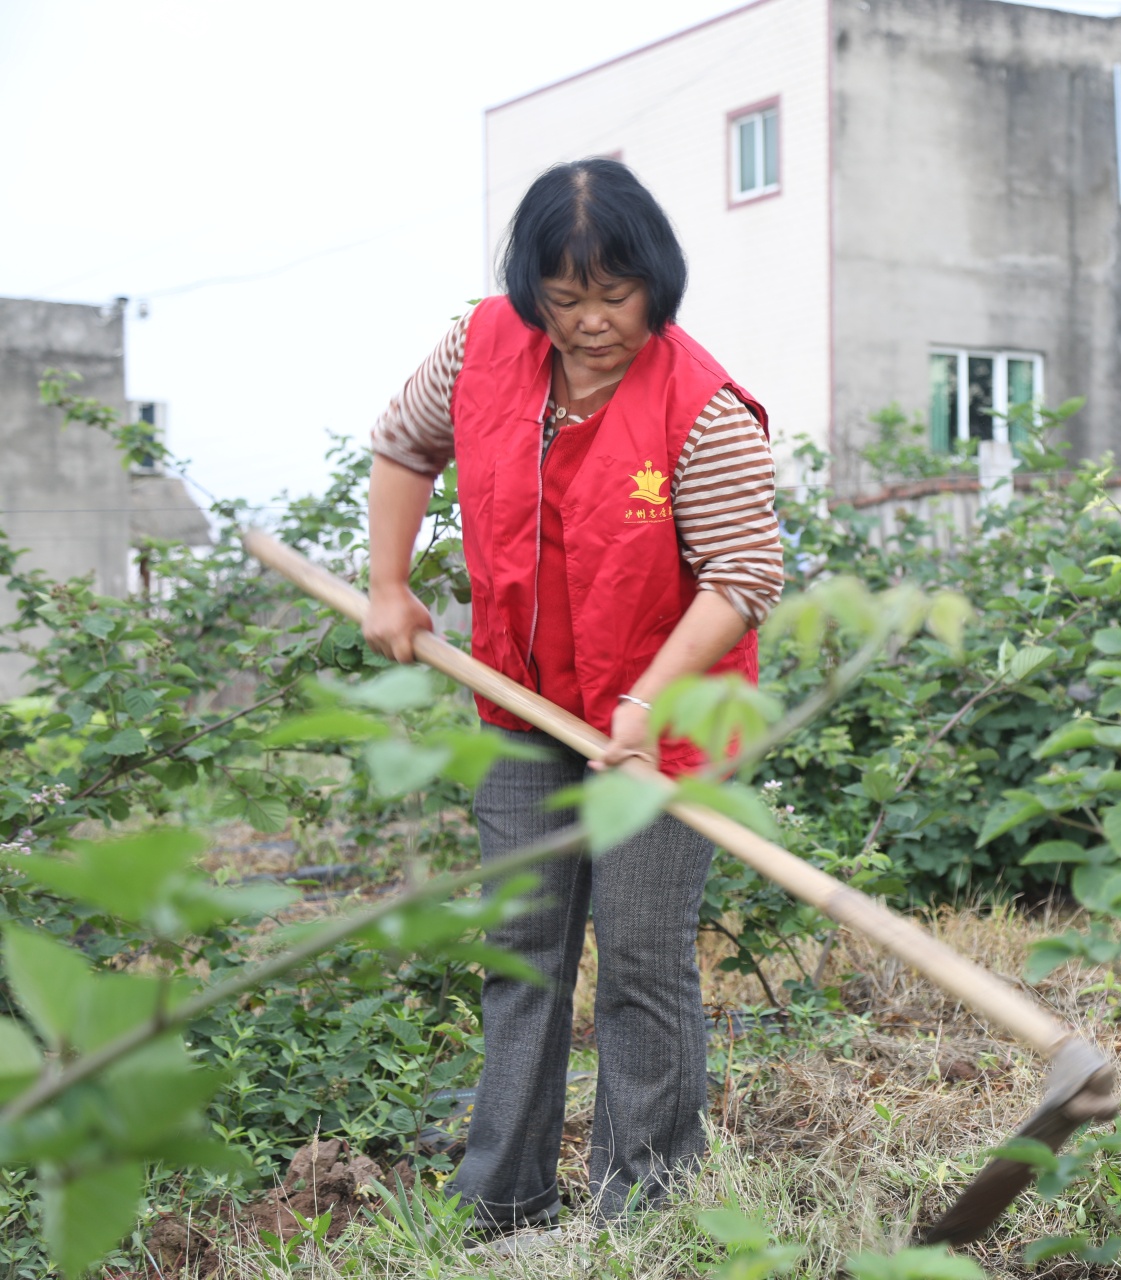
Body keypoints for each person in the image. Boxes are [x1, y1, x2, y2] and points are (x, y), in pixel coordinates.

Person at [362, 158, 783, 1225]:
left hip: (664, 728)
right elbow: (404, 442)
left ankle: (643, 1208)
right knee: (523, 954)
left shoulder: (703, 406)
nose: (593, 321)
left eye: (616, 295)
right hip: (519, 705)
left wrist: (643, 705)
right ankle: (503, 1199)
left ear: (658, 280)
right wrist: (389, 584)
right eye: (566, 298)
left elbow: (742, 575)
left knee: (641, 965)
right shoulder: (480, 347)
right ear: (530, 290)